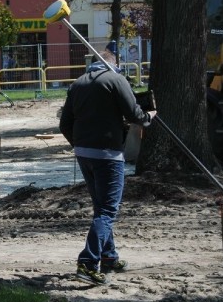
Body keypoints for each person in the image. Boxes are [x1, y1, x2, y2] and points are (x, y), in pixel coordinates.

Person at [58, 50, 155, 286]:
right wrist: (149, 116)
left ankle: (108, 256)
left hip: (84, 153)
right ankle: (88, 263)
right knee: (107, 211)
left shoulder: (78, 84)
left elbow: (64, 123)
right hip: (108, 155)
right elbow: (135, 115)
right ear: (114, 64)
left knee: (101, 206)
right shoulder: (116, 80)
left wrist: (79, 143)